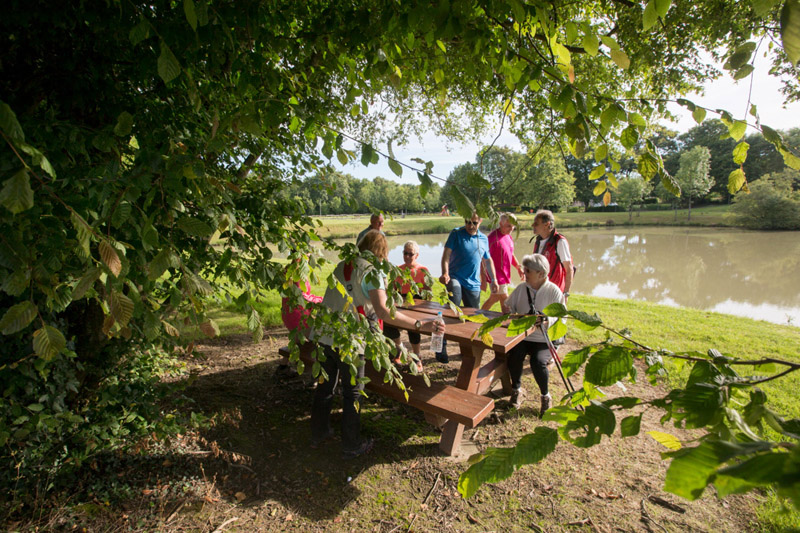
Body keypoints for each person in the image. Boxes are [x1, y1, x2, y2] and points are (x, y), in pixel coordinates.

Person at [310, 230, 445, 458]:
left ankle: (319, 433)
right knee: (353, 393)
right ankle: (351, 445)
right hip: (349, 340)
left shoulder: (342, 265)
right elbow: (384, 312)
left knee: (325, 387)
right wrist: (421, 324)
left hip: (324, 334)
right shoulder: (372, 273)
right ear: (381, 251)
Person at [501, 254, 564, 415]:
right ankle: (516, 390)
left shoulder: (554, 291)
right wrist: (507, 310)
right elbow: (510, 308)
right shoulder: (522, 288)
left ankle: (545, 396)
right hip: (522, 337)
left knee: (538, 361)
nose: (524, 273)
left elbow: (560, 317)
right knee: (514, 355)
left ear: (541, 274)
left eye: (528, 270)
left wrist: (547, 321)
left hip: (543, 339)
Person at [437, 213, 498, 363]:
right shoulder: (456, 233)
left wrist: (494, 280)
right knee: (452, 312)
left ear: (480, 222)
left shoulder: (483, 239)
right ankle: (440, 348)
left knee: (472, 319)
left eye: (474, 223)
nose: (471, 226)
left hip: (473, 283)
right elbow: (446, 255)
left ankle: (468, 350)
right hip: (455, 278)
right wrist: (445, 273)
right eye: (468, 222)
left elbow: (488, 261)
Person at [383, 240, 430, 371]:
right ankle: (399, 349)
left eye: (411, 254)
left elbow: (428, 292)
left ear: (417, 255)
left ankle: (417, 357)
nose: (408, 257)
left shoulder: (423, 270)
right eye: (405, 253)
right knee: (387, 323)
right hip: (400, 304)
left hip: (416, 305)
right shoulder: (398, 270)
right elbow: (392, 290)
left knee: (413, 327)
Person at [278, 277, 322, 376]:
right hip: (297, 316)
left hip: (292, 313)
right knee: (317, 339)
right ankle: (315, 375)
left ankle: (283, 366)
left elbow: (304, 294)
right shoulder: (295, 275)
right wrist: (320, 300)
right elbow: (301, 296)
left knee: (297, 339)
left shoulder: (295, 272)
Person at [481, 213, 524, 311]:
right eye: (508, 226)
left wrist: (518, 267)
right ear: (501, 224)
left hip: (505, 275)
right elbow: (483, 259)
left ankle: (480, 315)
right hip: (496, 276)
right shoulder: (492, 238)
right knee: (505, 299)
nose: (512, 228)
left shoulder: (508, 236)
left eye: (513, 226)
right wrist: (484, 279)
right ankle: (508, 321)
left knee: (496, 299)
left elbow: (510, 254)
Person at [530, 209, 573, 302]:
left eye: (536, 223)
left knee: (553, 317)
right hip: (539, 292)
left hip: (554, 294)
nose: (532, 225)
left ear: (547, 224)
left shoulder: (560, 241)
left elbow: (569, 269)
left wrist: (565, 293)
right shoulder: (538, 241)